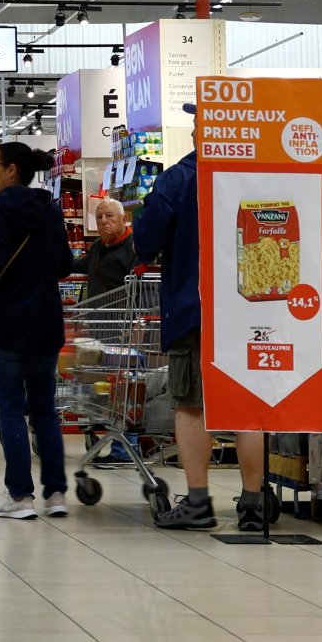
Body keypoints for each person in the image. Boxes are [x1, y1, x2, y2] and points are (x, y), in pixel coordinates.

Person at [135, 142, 271, 531]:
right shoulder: (259, 172)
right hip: (253, 304)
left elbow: (145, 241)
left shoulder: (178, 178)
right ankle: (253, 504)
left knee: (191, 404)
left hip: (193, 307)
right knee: (249, 405)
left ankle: (197, 503)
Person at [0, 141, 74, 520]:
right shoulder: (50, 208)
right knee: (45, 410)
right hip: (46, 319)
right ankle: (55, 495)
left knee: (9, 409)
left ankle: (21, 497)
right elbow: (65, 264)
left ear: (12, 170)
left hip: (8, 320)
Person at [75, 198, 135, 301]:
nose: (103, 221)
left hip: (123, 315)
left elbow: (145, 289)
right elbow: (82, 265)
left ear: (124, 220)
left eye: (109, 216)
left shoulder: (135, 247)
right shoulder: (97, 245)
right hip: (95, 314)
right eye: (99, 217)